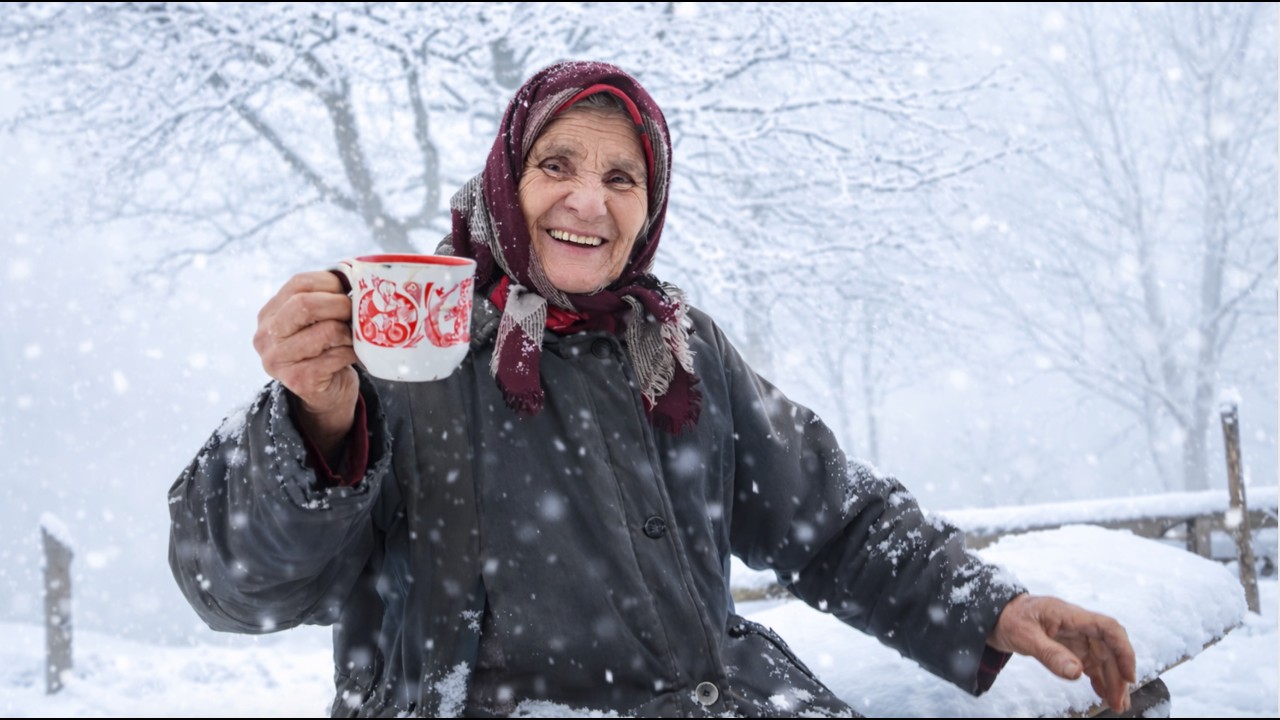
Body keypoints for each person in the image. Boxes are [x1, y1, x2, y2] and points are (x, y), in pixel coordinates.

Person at [168, 61, 1136, 717]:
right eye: (556, 165)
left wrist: (990, 608)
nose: (588, 200)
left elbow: (833, 523)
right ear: (507, 183)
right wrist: (314, 417)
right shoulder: (405, 342)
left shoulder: (676, 349)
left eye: (621, 178)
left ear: (649, 206)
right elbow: (238, 586)